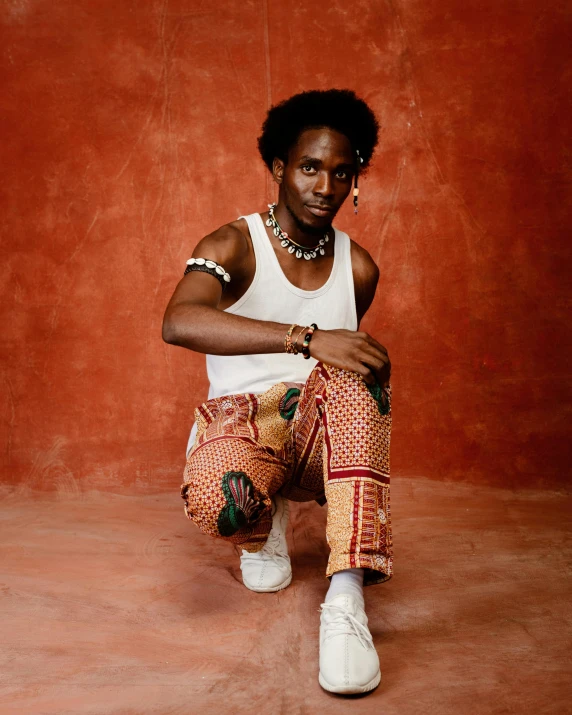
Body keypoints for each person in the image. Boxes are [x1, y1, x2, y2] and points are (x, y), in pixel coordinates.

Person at [162, 88, 393, 695]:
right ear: (279, 169)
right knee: (222, 506)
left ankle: (346, 601)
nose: (325, 187)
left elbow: (344, 367)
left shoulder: (359, 266)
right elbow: (179, 320)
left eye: (342, 172)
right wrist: (307, 337)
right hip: (242, 423)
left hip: (320, 432)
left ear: (355, 181)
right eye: (310, 167)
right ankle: (265, 519)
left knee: (352, 374)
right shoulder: (233, 244)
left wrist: (363, 364)